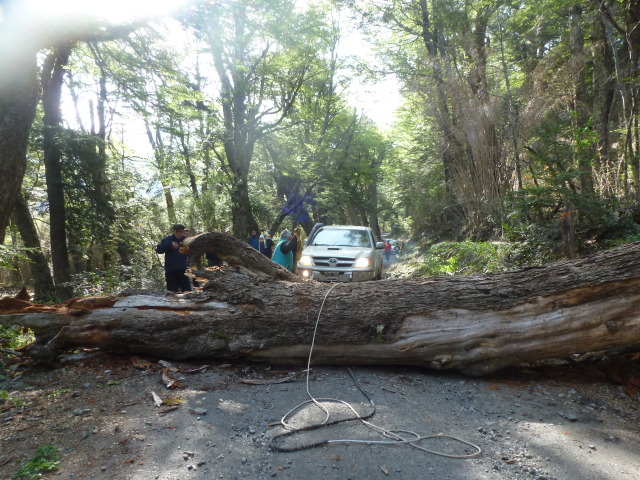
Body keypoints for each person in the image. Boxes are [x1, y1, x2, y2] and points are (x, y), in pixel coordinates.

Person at [156, 224, 192, 292]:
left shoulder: (186, 240)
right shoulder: (167, 239)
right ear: (174, 231)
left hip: (183, 271)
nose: (179, 233)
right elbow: (159, 250)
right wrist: (170, 244)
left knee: (188, 293)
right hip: (171, 272)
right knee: (171, 293)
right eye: (177, 231)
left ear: (183, 232)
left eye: (180, 231)